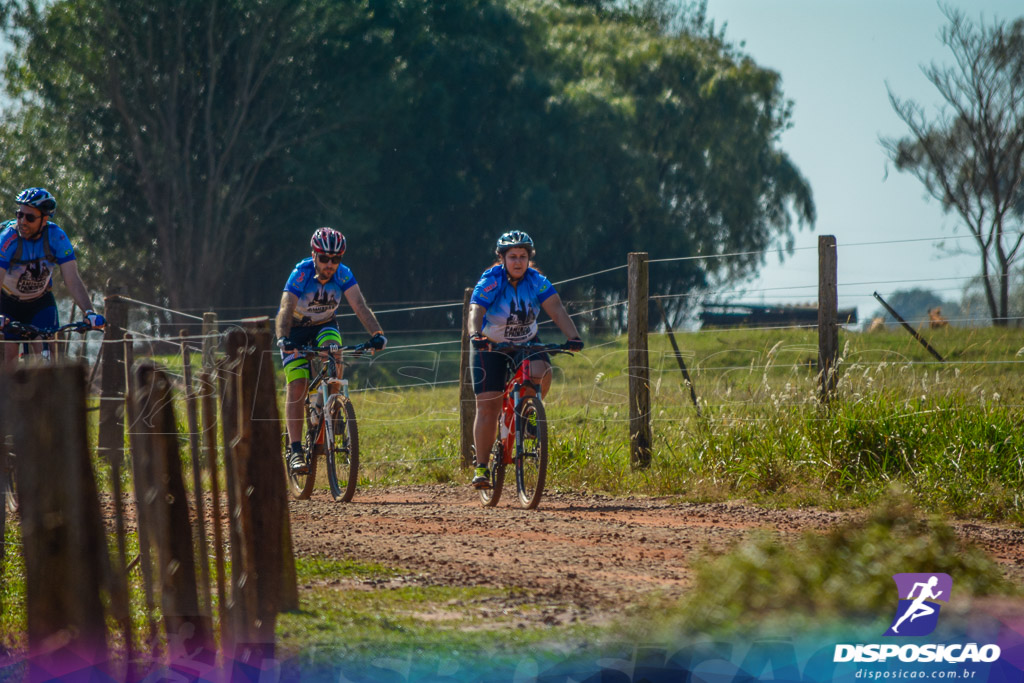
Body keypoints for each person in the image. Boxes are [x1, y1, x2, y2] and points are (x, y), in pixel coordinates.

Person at [467, 230, 583, 489]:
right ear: (502, 259)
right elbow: (476, 309)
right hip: (491, 345)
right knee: (488, 406)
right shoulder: (491, 280)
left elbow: (556, 308)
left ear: (529, 259)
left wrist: (573, 337)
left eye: (523, 257)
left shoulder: (536, 280)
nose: (518, 262)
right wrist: (475, 334)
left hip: (526, 342)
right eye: (512, 257)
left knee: (543, 369)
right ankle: (482, 468)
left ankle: (528, 415)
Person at [276, 227, 387, 473]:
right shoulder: (300, 274)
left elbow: (359, 305)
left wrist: (377, 334)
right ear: (313, 255)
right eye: (324, 258)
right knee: (297, 384)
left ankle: (327, 409)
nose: (330, 264)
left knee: (335, 356)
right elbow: (285, 308)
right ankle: (295, 450)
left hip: (324, 325)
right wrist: (283, 338)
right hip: (294, 330)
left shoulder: (344, 275)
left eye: (335, 259)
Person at [0, 187, 105, 369]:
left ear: (44, 219)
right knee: (9, 357)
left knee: (48, 357)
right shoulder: (8, 238)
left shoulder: (57, 237)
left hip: (40, 302)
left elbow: (72, 279)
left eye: (30, 217)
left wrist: (89, 313)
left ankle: (48, 397)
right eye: (19, 215)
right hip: (7, 303)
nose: (22, 221)